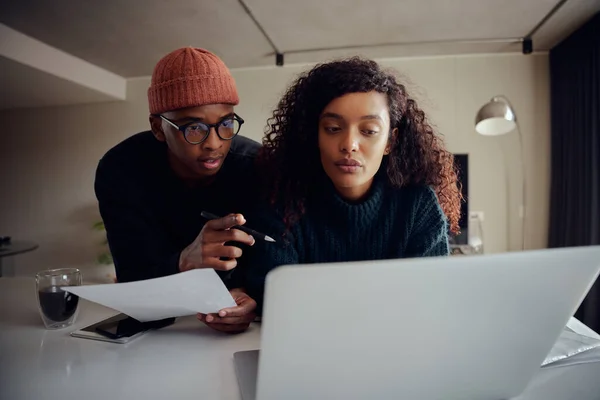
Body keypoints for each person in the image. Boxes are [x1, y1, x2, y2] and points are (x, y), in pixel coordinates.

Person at [201, 57, 462, 329]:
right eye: (333, 129)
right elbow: (274, 295)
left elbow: (429, 297)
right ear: (314, 135)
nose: (349, 144)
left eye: (369, 131)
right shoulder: (282, 200)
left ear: (390, 141)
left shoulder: (418, 205)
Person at [95, 47, 259, 332]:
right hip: (156, 335)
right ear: (158, 128)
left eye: (226, 123)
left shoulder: (256, 166)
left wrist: (248, 297)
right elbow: (134, 281)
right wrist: (184, 261)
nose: (214, 143)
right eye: (193, 128)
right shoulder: (121, 170)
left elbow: (273, 265)